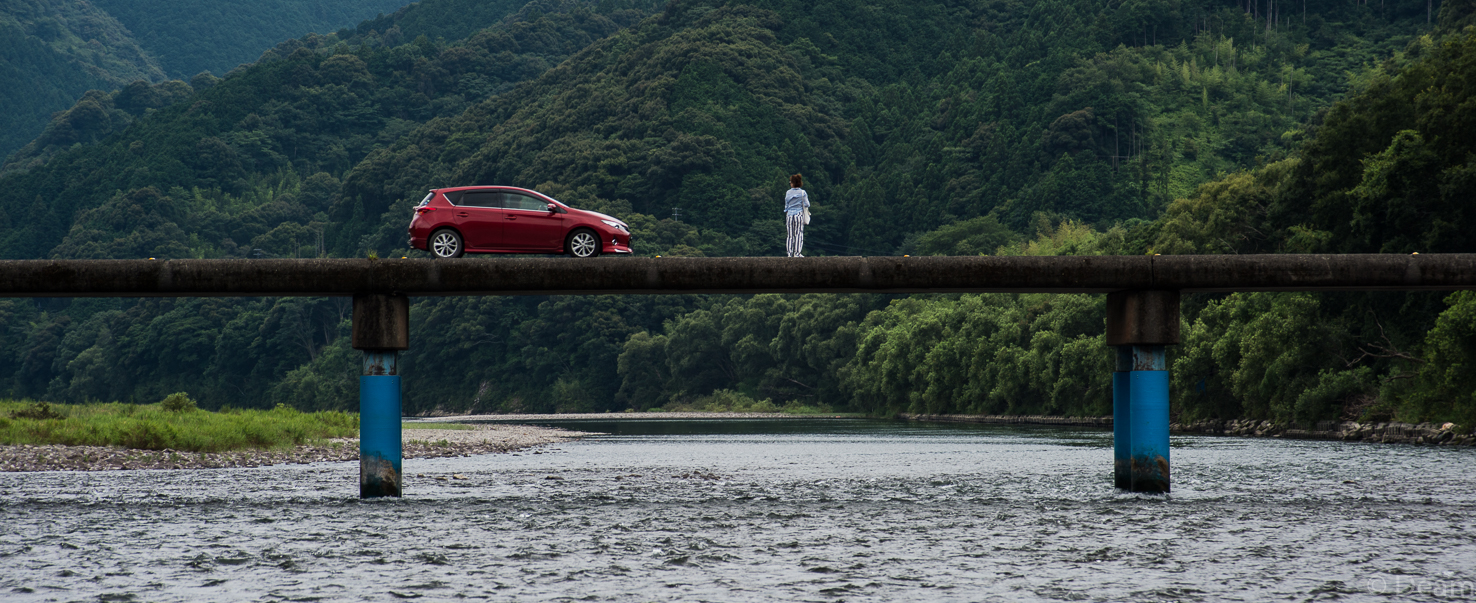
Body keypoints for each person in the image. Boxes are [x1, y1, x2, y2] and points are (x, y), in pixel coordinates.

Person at [783, 173, 810, 257]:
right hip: (799, 215)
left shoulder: (788, 192)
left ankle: (789, 253)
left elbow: (786, 205)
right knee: (799, 234)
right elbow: (807, 204)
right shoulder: (802, 193)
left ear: (793, 183)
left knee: (790, 235)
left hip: (789, 215)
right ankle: (797, 253)